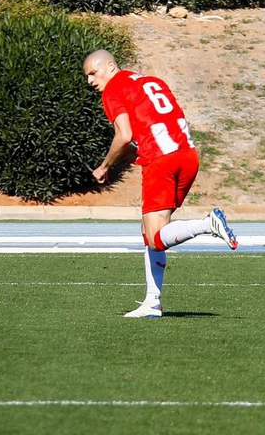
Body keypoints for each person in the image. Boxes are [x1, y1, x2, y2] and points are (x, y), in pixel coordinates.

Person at [84, 50, 238, 318]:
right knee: (150, 232)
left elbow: (124, 136)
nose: (89, 80)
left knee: (156, 237)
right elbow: (156, 126)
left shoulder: (112, 90)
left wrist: (105, 166)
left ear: (110, 66)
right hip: (188, 156)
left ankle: (208, 224)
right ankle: (152, 302)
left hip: (162, 161)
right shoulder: (151, 81)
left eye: (92, 73)